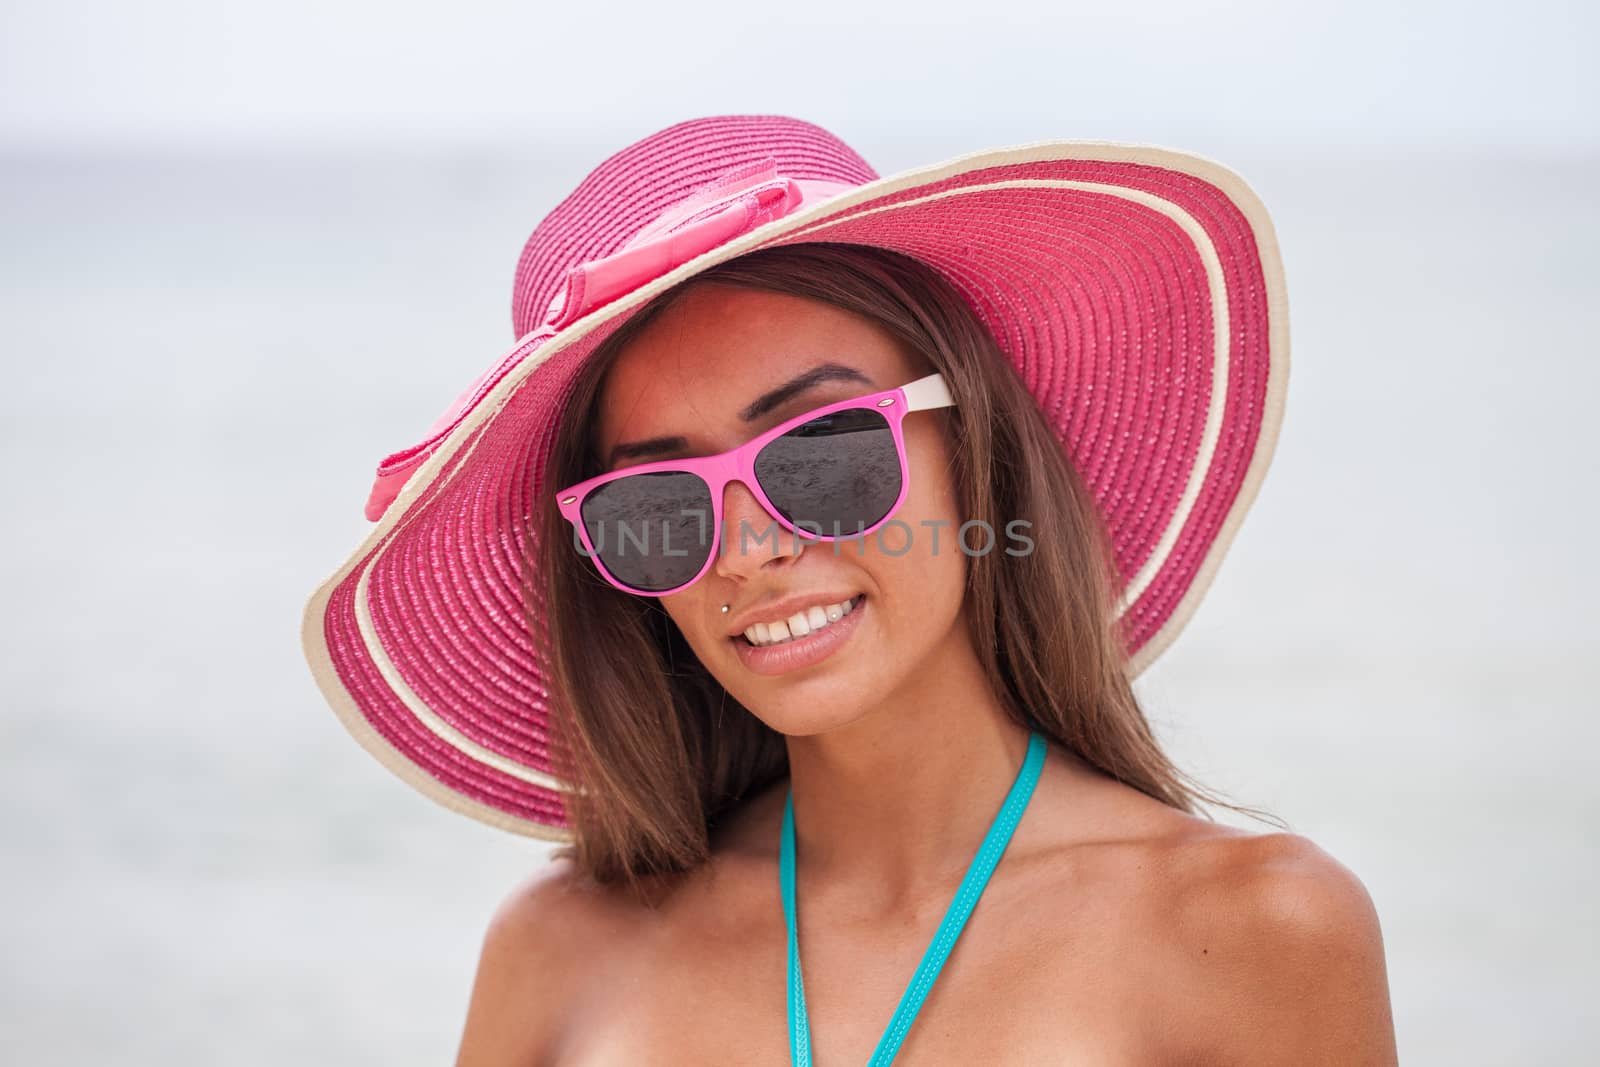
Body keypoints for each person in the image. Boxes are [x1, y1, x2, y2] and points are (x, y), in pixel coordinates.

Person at [303, 116, 1397, 1064]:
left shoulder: (1257, 930)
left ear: (972, 442)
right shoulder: (557, 947)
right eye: (660, 506)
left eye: (822, 449)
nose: (746, 550)